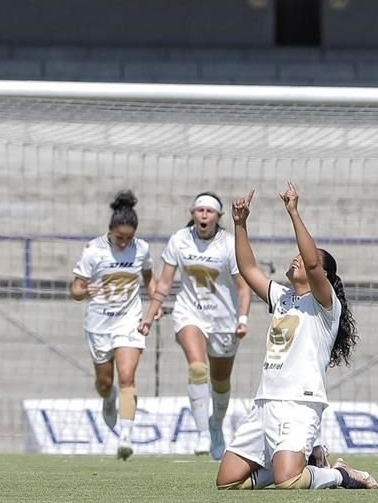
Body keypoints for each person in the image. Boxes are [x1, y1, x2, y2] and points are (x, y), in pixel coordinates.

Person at [215, 183, 375, 490]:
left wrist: (293, 212)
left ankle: (340, 474)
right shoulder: (282, 297)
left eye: (303, 258)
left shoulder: (324, 305)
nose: (297, 259)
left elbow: (313, 260)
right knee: (227, 484)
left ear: (322, 276)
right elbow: (248, 268)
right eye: (296, 256)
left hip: (299, 403)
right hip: (265, 402)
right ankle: (309, 464)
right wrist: (240, 224)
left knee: (288, 482)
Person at [139, 192, 252, 459]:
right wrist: (149, 314)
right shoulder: (179, 240)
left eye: (209, 211)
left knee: (220, 380)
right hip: (189, 313)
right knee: (198, 368)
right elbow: (164, 283)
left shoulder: (229, 244)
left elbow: (243, 288)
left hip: (224, 320)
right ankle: (202, 432)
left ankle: (215, 425)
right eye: (199, 210)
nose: (203, 215)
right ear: (192, 214)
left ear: (218, 217)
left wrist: (242, 319)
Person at [71, 190, 155, 460]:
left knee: (128, 377)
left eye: (128, 238)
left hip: (129, 320)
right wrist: (85, 291)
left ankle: (125, 438)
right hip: (99, 324)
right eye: (120, 238)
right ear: (110, 231)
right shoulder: (93, 250)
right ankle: (108, 399)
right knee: (106, 383)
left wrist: (154, 308)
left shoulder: (141, 249)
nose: (124, 243)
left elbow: (150, 279)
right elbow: (75, 289)